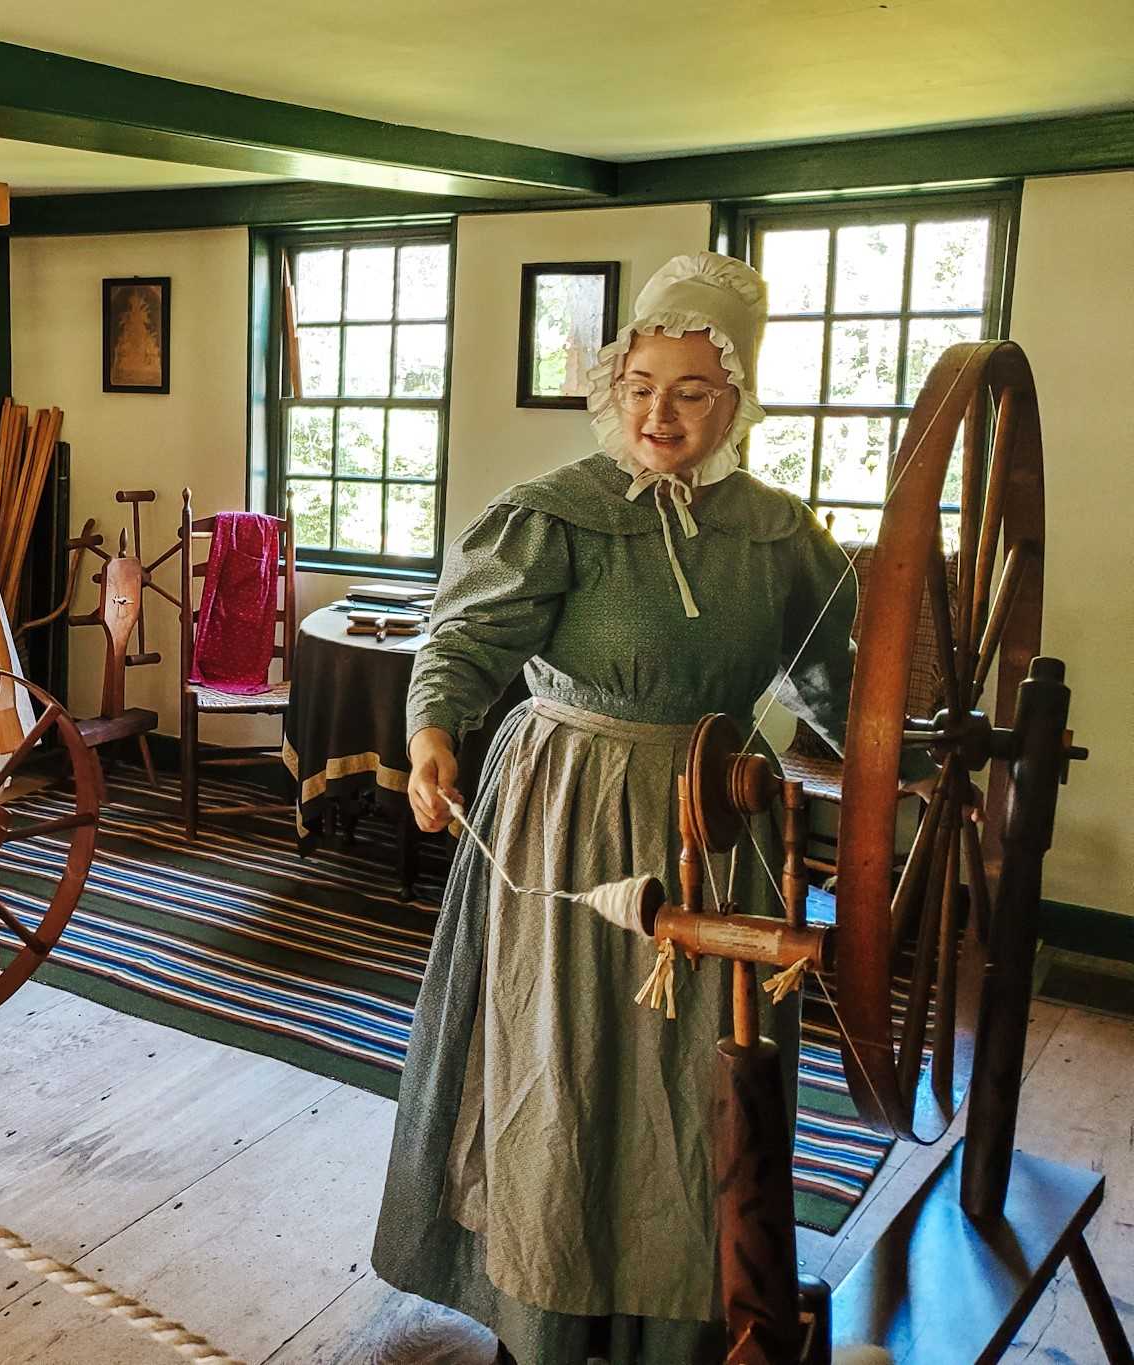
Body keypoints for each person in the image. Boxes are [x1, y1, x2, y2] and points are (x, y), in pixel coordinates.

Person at [371, 252, 870, 1364]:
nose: (661, 412)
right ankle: (545, 1305)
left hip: (718, 823)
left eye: (691, 390)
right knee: (563, 1059)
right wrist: (430, 736)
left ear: (734, 402)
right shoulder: (557, 513)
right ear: (613, 384)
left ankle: (687, 1310)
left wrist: (911, 760)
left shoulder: (781, 535)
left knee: (704, 1067)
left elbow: (843, 691)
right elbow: (459, 641)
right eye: (642, 383)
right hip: (567, 810)